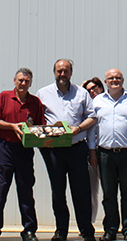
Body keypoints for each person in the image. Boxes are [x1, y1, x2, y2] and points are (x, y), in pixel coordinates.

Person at [37, 60, 98, 241]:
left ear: (71, 72)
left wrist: (78, 129)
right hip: (53, 150)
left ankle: (86, 230)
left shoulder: (82, 93)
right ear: (54, 72)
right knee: (58, 192)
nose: (62, 74)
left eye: (66, 71)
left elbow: (92, 117)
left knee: (82, 191)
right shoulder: (43, 93)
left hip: (77, 148)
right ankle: (61, 230)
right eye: (59, 71)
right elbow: (37, 120)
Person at [0, 68, 46, 241]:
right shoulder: (4, 97)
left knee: (26, 191)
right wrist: (12, 126)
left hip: (25, 151)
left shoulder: (35, 102)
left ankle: (29, 230)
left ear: (30, 83)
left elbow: (41, 126)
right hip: (5, 149)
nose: (23, 83)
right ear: (14, 81)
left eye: (26, 81)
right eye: (20, 80)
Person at [93, 69, 127, 241]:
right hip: (105, 154)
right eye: (111, 78)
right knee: (108, 194)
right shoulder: (97, 101)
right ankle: (110, 230)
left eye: (118, 78)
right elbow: (92, 128)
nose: (114, 80)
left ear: (123, 80)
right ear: (105, 82)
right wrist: (92, 151)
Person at [82, 77, 105, 224]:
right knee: (91, 190)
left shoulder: (108, 104)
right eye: (88, 90)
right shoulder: (85, 107)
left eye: (94, 87)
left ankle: (113, 224)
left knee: (110, 190)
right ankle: (89, 222)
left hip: (106, 150)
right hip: (90, 150)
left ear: (101, 87)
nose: (92, 91)